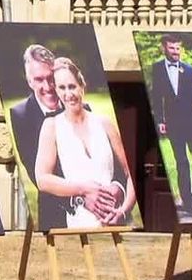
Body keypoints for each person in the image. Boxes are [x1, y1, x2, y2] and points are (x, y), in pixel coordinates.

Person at [34, 58, 136, 228]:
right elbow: (42, 179)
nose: (69, 94)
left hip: (113, 221)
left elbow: (131, 172)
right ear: (56, 91)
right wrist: (83, 189)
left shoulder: (105, 123)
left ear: (82, 85)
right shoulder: (51, 126)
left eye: (72, 86)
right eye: (62, 88)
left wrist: (123, 210)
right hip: (78, 224)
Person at [149, 34, 192, 216]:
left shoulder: (189, 70)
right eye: (172, 48)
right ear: (164, 48)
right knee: (181, 164)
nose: (175, 52)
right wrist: (160, 120)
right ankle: (188, 203)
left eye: (178, 48)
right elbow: (156, 96)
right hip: (173, 124)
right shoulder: (157, 68)